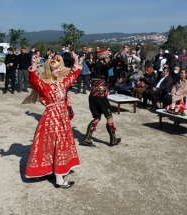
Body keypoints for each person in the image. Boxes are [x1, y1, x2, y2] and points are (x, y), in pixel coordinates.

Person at [23, 54, 82, 189]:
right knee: (57, 143)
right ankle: (59, 179)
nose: (58, 71)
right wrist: (33, 64)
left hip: (62, 118)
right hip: (52, 118)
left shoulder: (62, 83)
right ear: (49, 70)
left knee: (58, 144)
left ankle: (55, 171)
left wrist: (76, 60)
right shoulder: (44, 85)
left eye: (59, 68)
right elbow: (33, 80)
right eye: (55, 69)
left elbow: (73, 75)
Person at [83, 48, 127, 147]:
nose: (109, 59)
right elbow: (116, 60)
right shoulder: (104, 66)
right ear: (104, 58)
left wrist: (87, 52)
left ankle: (87, 138)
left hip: (92, 96)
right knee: (109, 116)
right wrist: (121, 53)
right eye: (107, 57)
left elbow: (87, 60)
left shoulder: (93, 65)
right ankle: (113, 140)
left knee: (97, 117)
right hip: (101, 96)